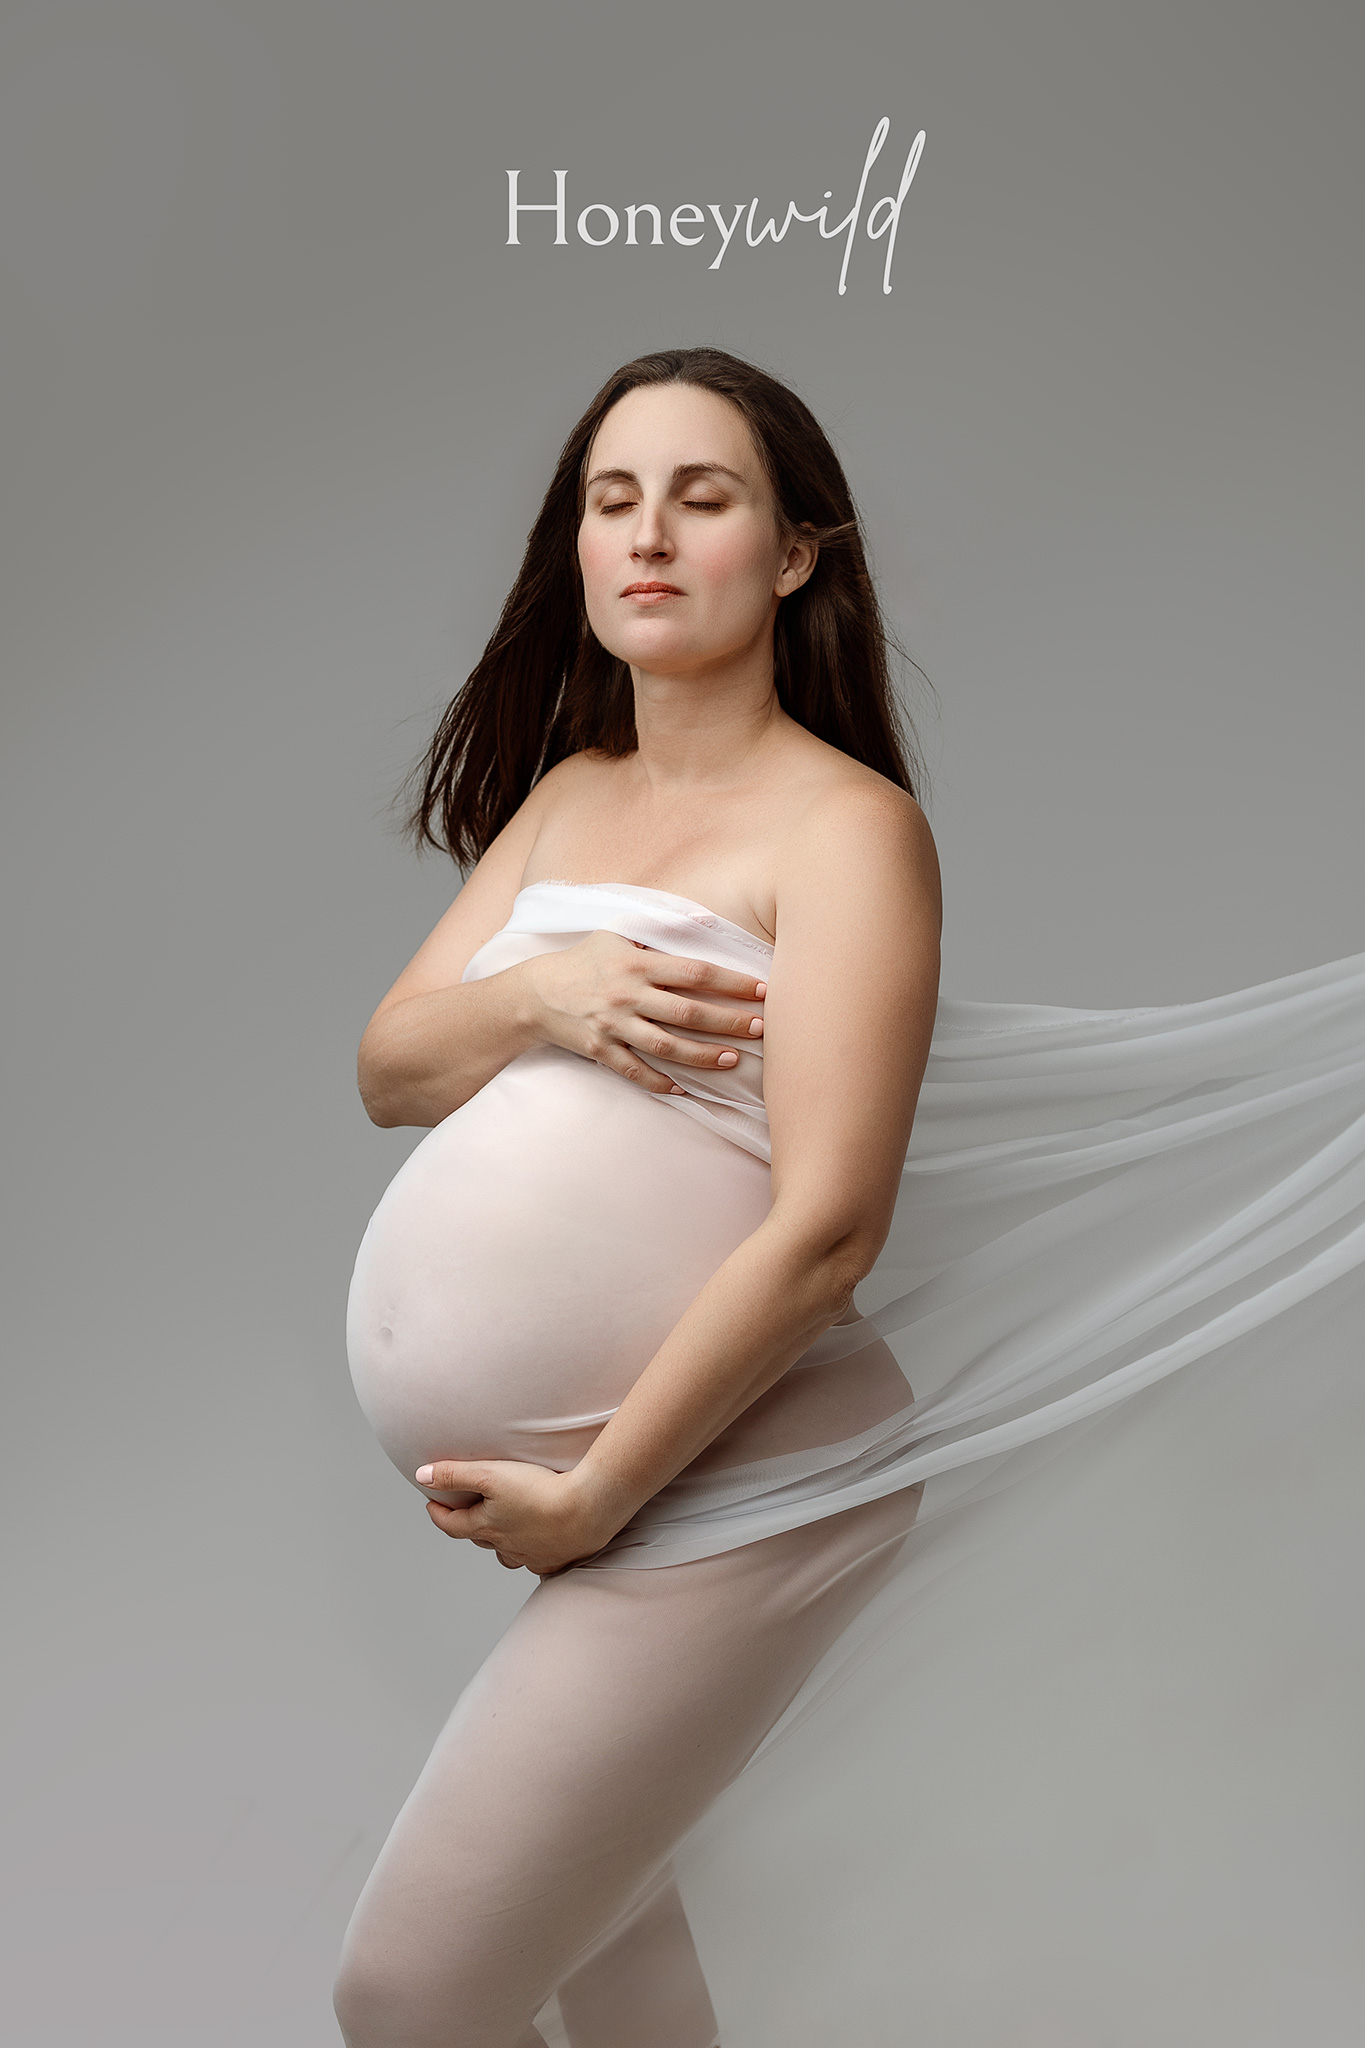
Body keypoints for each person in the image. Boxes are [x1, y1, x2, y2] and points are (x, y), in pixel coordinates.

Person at [333, 348, 1365, 2047]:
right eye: (611, 500)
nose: (648, 535)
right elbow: (391, 1070)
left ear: (796, 551)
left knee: (413, 1993)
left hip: (734, 1480)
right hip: (618, 1478)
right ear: (573, 551)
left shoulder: (845, 833)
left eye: (703, 495)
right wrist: (548, 993)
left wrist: (595, 1497)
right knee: (611, 1956)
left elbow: (827, 1233)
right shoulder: (569, 801)